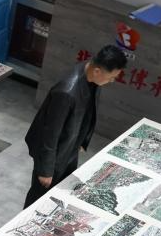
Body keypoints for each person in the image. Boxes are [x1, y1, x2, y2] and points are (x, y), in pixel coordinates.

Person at [23, 45, 128, 208]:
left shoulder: (93, 78)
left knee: (61, 193)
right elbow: (50, 133)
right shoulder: (67, 91)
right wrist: (46, 170)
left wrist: (83, 141)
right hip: (53, 154)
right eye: (111, 77)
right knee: (38, 199)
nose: (111, 81)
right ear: (97, 71)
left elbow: (89, 111)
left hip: (70, 146)